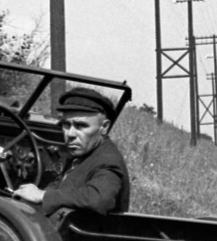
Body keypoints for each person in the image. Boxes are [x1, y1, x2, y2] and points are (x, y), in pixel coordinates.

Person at [12, 87, 130, 216]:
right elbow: (61, 188)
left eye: (80, 126)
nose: (70, 134)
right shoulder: (82, 155)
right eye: (66, 125)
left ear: (104, 127)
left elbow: (99, 199)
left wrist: (43, 195)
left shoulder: (107, 160)